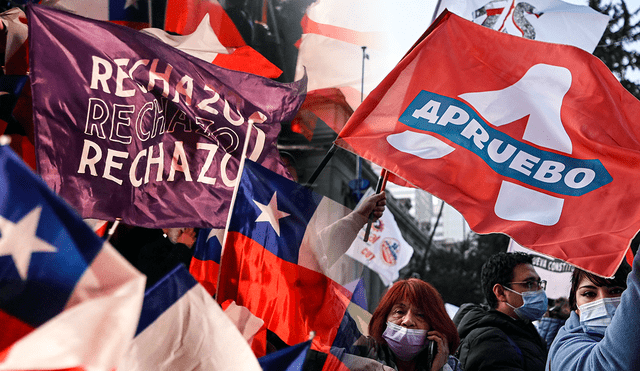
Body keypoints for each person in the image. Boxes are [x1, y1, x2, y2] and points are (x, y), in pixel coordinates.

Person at [454, 252, 547, 371]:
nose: (539, 290)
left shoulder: (522, 330)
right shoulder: (489, 342)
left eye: (538, 283)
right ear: (501, 292)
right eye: (529, 283)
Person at [546, 253, 637, 370]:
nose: (603, 300)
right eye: (589, 294)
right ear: (575, 304)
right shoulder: (566, 349)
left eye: (615, 291)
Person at [349, 278, 463, 371]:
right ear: (384, 319)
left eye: (420, 315)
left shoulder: (450, 365)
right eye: (399, 312)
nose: (408, 321)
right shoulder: (362, 352)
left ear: (434, 327)